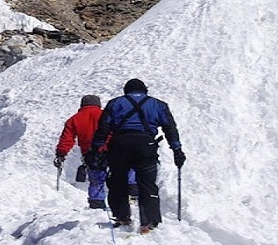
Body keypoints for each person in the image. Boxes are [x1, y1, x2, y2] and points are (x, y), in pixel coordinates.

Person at [87, 78, 186, 234]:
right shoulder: (158, 104)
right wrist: (177, 150)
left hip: (120, 145)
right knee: (147, 183)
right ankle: (149, 221)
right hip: (146, 145)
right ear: (144, 90)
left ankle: (122, 216)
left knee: (117, 181)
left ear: (126, 91)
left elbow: (103, 128)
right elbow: (170, 128)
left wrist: (95, 150)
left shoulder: (114, 103)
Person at [54, 95, 137, 209]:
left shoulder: (74, 119)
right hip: (113, 149)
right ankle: (131, 194)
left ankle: (97, 205)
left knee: (96, 180)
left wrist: (61, 154)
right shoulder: (108, 115)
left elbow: (67, 139)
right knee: (124, 172)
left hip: (92, 154)